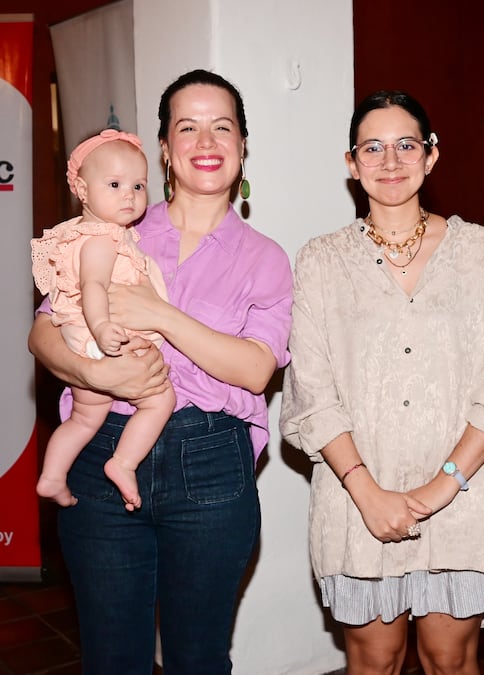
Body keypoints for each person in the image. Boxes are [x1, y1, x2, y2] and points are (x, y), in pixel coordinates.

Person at [28, 70, 293, 674]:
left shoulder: (265, 258)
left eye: (222, 127)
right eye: (187, 127)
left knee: (196, 658)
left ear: (243, 146)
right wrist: (101, 378)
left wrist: (161, 316)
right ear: (167, 149)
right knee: (112, 656)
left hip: (210, 466)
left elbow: (255, 370)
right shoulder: (112, 227)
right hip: (100, 453)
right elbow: (43, 330)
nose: (207, 140)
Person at [280, 90, 484, 675]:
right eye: (373, 147)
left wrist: (441, 488)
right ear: (352, 163)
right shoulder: (322, 261)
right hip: (357, 499)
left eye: (406, 145)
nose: (391, 161)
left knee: (450, 659)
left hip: (464, 494)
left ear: (431, 156)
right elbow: (312, 392)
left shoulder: (482, 253)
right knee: (376, 660)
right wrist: (368, 493)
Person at [31, 130, 175, 511]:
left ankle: (52, 476)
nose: (129, 194)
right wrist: (102, 329)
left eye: (138, 185)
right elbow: (93, 286)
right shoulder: (101, 239)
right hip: (98, 337)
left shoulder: (93, 234)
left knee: (83, 419)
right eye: (114, 184)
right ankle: (124, 463)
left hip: (85, 338)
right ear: (81, 188)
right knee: (161, 399)